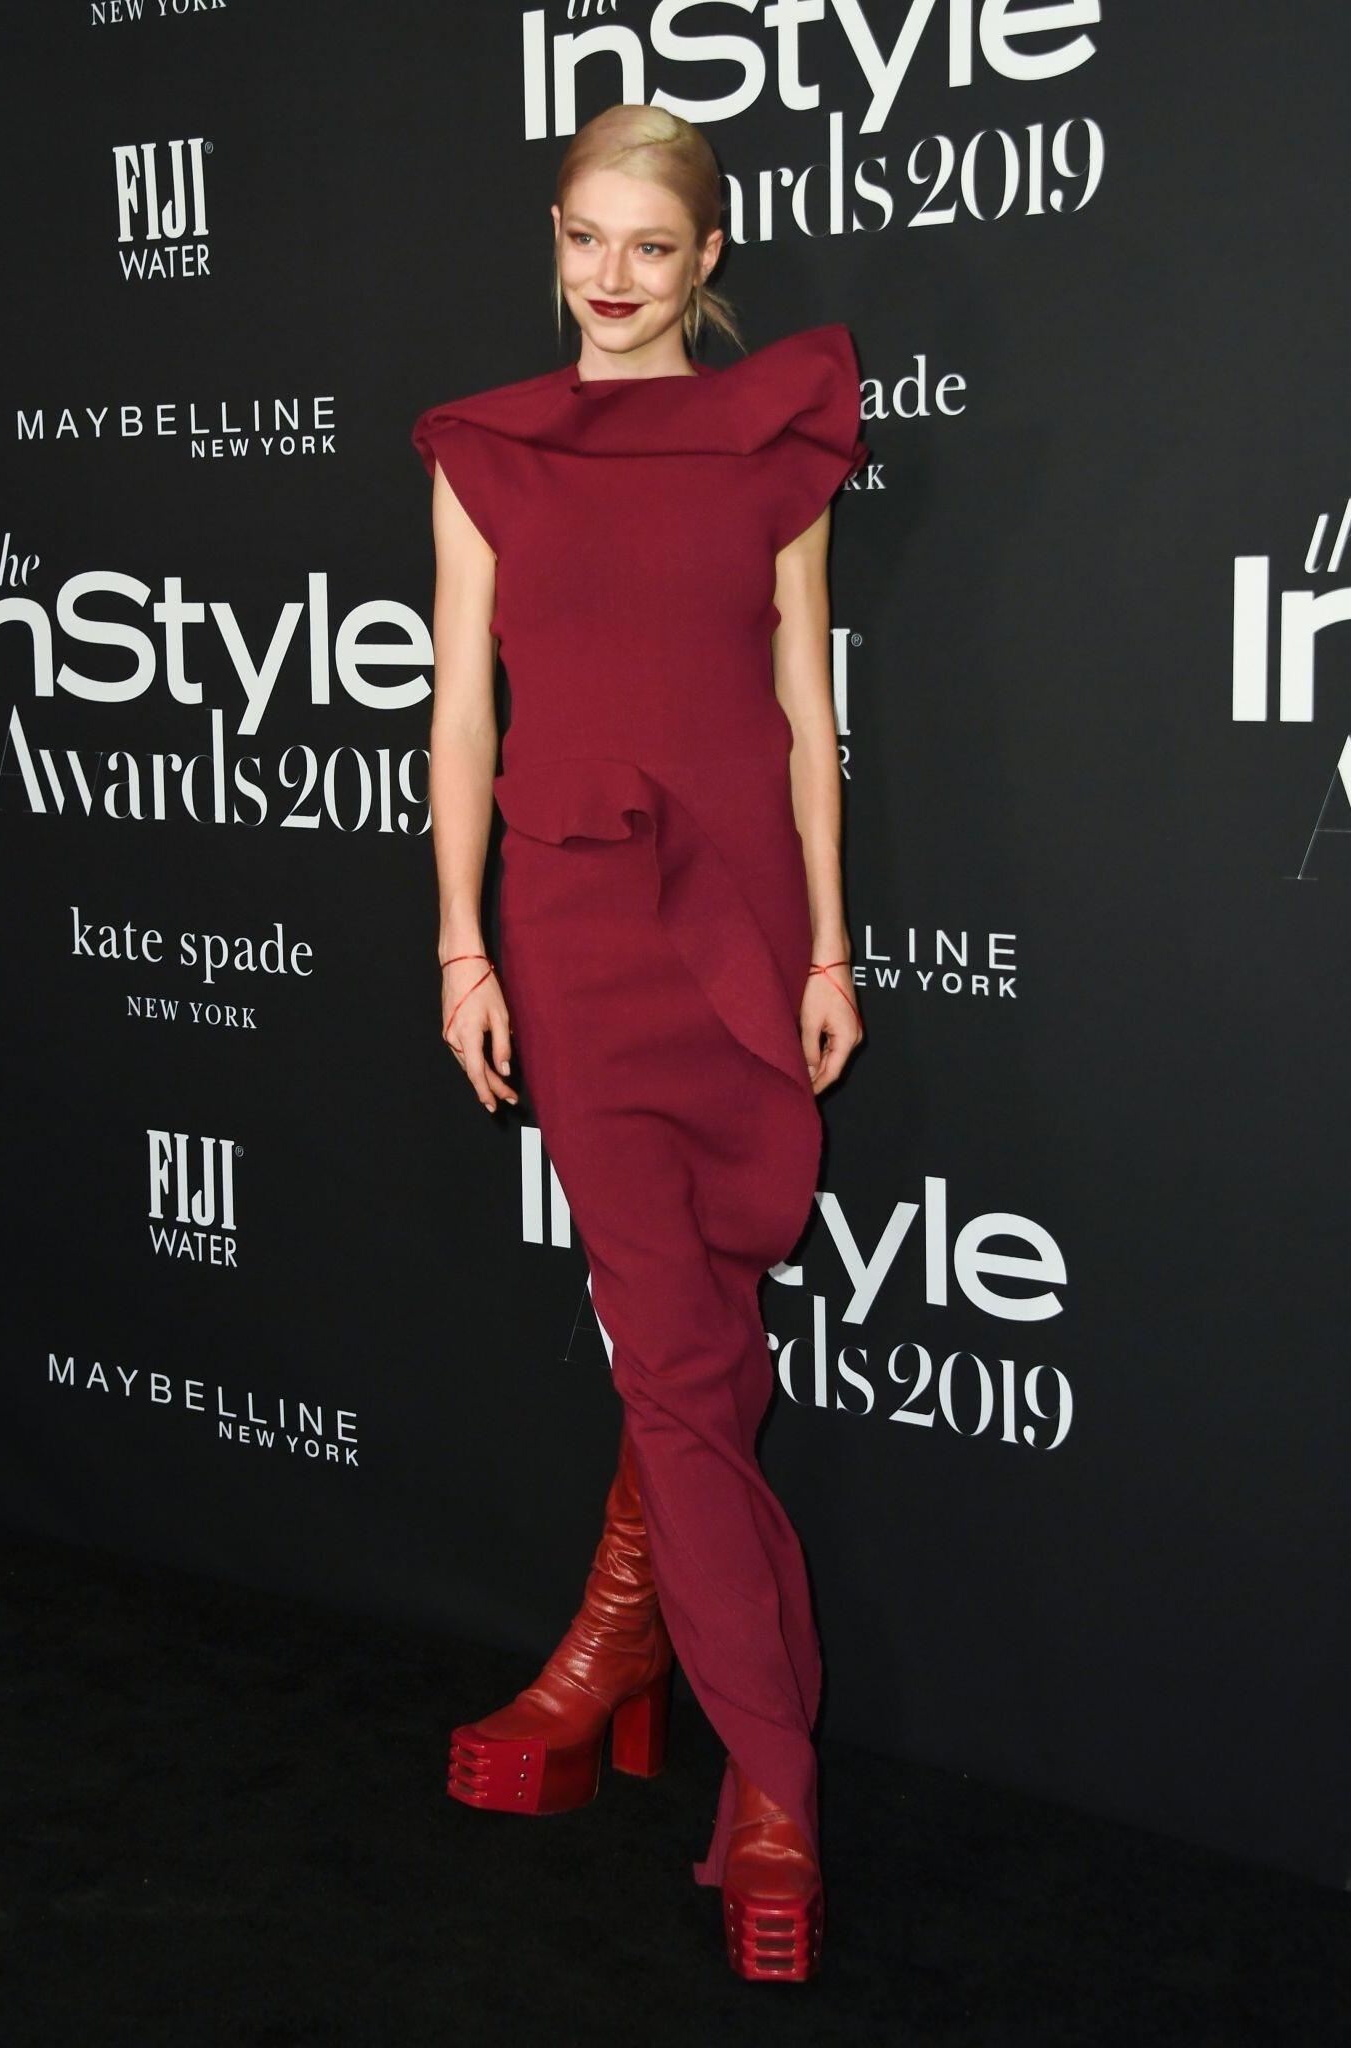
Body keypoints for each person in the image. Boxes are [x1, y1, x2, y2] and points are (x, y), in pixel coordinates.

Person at [411, 101, 867, 1983]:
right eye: (585, 237)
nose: (611, 278)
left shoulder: (776, 441)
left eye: (651, 248)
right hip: (577, 928)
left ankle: (617, 1643)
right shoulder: (488, 452)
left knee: (708, 1325)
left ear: (706, 262)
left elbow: (804, 703)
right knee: (677, 1356)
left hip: (743, 916)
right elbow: (459, 712)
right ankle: (775, 1786)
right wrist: (461, 942)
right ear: (554, 233)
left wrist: (828, 943)